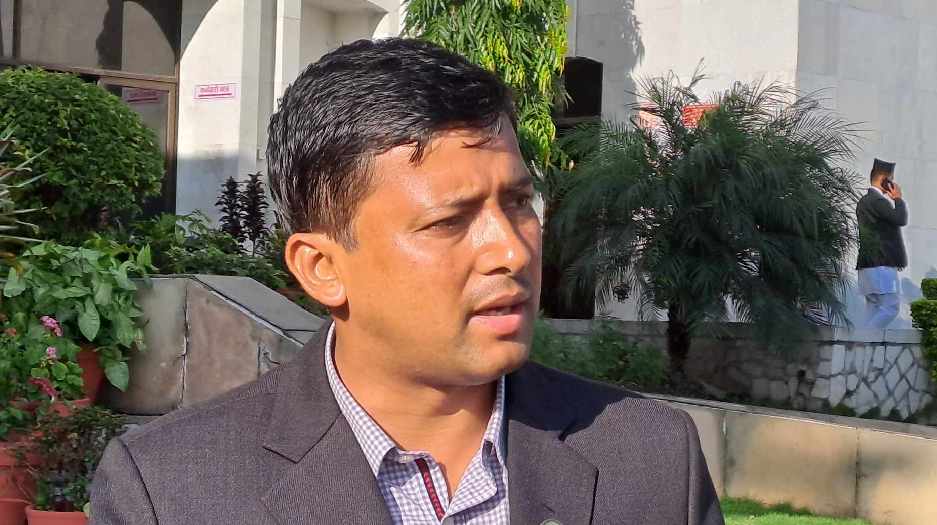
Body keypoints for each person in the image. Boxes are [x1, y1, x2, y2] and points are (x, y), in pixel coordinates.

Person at [89, 38, 722, 525]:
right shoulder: (173, 490)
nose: (511, 250)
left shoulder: (648, 460)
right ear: (322, 268)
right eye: (449, 221)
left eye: (518, 202)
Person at [856, 158, 908, 329]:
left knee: (873, 309)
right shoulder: (878, 202)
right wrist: (898, 199)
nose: (893, 183)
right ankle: (865, 340)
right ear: (884, 180)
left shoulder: (864, 201)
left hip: (867, 265)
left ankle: (861, 342)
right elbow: (900, 219)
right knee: (890, 307)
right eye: (891, 179)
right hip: (881, 264)